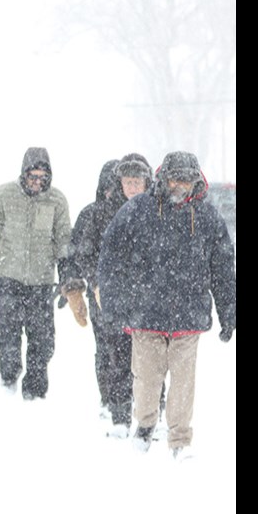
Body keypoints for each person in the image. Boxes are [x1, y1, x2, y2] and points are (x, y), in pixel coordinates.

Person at [98, 151, 236, 458]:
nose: (180, 187)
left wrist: (229, 311)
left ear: (195, 181)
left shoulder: (207, 217)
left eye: (186, 181)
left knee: (184, 383)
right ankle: (145, 425)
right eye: (175, 179)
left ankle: (180, 439)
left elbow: (223, 267)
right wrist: (114, 302)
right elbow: (111, 257)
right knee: (147, 379)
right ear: (163, 178)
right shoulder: (138, 210)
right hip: (145, 313)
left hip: (189, 316)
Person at [0, 147, 73, 399]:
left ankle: (35, 393)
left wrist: (66, 279)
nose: (37, 182)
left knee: (42, 340)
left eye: (43, 178)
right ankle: (8, 379)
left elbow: (63, 240)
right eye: (33, 177)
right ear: (23, 174)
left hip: (41, 281)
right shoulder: (4, 195)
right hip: (9, 277)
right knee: (8, 334)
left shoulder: (57, 201)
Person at [68, 156, 148, 435]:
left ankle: (140, 404)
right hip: (104, 295)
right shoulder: (93, 214)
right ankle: (113, 402)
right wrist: (86, 285)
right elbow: (78, 253)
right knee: (109, 350)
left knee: (140, 352)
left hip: (137, 296)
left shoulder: (145, 212)